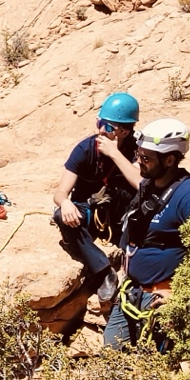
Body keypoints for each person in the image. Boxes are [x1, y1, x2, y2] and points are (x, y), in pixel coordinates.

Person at [104, 120, 190, 352]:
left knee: (155, 363)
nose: (139, 160)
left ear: (169, 160)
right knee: (111, 354)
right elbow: (137, 178)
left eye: (146, 158)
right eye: (138, 154)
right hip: (132, 292)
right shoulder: (151, 183)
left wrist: (180, 294)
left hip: (160, 299)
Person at [53, 93, 142, 313]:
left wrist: (114, 154)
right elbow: (61, 192)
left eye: (108, 127)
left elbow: (141, 184)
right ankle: (104, 272)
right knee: (60, 216)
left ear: (124, 132)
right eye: (99, 122)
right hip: (92, 211)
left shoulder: (137, 149)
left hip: (122, 215)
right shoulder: (85, 149)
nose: (101, 130)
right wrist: (65, 203)